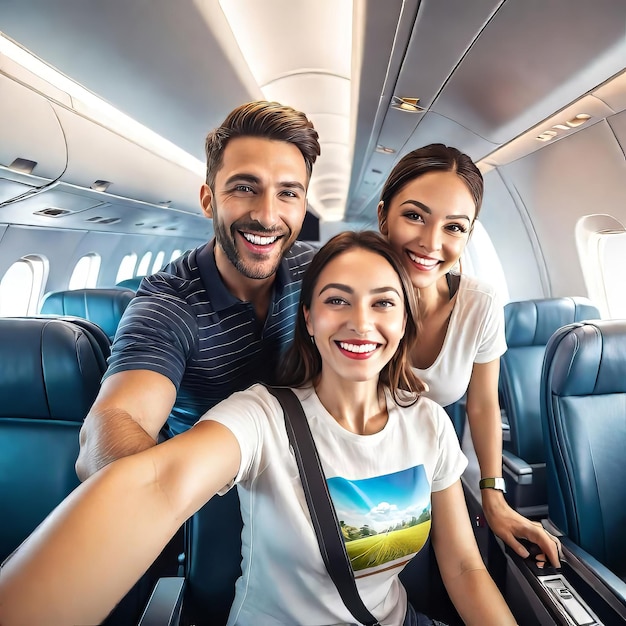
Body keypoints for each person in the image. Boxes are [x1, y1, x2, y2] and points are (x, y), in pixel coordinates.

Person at [0, 231, 517, 626]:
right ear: (309, 319)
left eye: (383, 302)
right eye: (338, 300)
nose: (361, 322)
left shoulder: (428, 423)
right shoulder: (260, 416)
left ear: (404, 321)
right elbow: (157, 485)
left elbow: (465, 568)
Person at [75, 100, 321, 481]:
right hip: (208, 495)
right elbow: (114, 423)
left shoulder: (319, 272)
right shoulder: (170, 303)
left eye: (288, 193)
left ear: (304, 205)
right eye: (244, 188)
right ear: (208, 200)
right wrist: (135, 487)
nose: (268, 216)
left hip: (311, 474)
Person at [377, 143, 561, 568]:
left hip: (424, 472)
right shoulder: (352, 294)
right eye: (415, 216)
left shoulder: (479, 304)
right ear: (384, 214)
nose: (430, 242)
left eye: (454, 227)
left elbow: (481, 406)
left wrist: (493, 496)